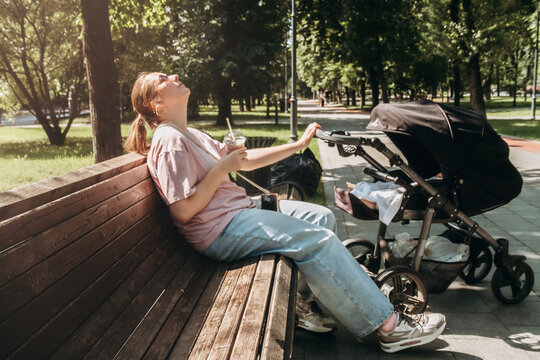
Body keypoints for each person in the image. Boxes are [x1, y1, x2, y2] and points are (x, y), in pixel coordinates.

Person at [124, 72, 447, 354]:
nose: (174, 76)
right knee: (317, 240)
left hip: (238, 212)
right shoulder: (168, 141)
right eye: (163, 80)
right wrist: (222, 167)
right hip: (218, 229)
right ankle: (390, 327)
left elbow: (246, 161)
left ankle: (302, 306)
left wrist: (299, 143)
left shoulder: (190, 134)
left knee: (322, 218)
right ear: (156, 104)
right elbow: (182, 210)